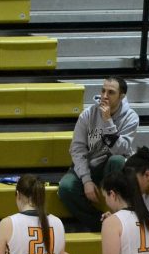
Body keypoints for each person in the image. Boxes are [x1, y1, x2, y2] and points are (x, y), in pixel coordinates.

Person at [58, 77, 139, 231]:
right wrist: (87, 180)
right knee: (66, 188)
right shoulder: (87, 114)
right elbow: (77, 149)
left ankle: (118, 217)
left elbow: (121, 150)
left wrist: (108, 121)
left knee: (118, 161)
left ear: (121, 96)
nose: (104, 96)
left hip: (111, 167)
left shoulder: (131, 118)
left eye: (111, 92)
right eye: (103, 90)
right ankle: (100, 224)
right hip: (89, 165)